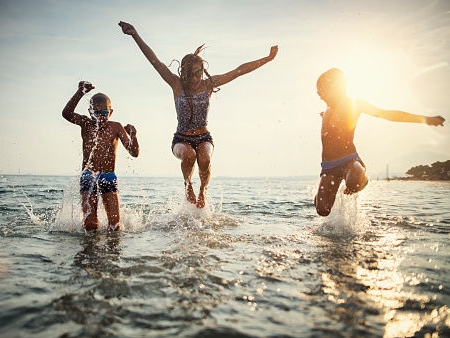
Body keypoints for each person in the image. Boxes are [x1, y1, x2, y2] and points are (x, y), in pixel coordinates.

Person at [119, 21, 278, 208]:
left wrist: (267, 59)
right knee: (189, 156)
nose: (194, 79)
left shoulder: (209, 84)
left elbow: (238, 71)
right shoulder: (176, 84)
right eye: (189, 74)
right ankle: (188, 184)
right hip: (181, 138)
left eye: (198, 73)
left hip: (204, 137)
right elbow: (155, 61)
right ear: (182, 73)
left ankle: (203, 189)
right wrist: (135, 34)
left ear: (203, 72)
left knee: (204, 159)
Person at [314, 68, 445, 216]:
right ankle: (326, 191)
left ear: (338, 87)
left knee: (353, 183)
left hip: (348, 159)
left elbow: (388, 115)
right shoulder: (327, 109)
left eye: (323, 92)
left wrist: (425, 119)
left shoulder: (354, 104)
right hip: (328, 166)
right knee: (322, 210)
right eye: (319, 93)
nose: (321, 97)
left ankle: (360, 178)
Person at [62, 81, 139, 232]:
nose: (100, 117)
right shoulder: (85, 123)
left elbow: (134, 153)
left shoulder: (115, 127)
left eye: (104, 113)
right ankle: (91, 252)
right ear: (90, 111)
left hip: (108, 176)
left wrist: (134, 137)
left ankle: (112, 253)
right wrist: (80, 93)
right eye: (96, 112)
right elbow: (66, 114)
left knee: (115, 226)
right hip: (88, 176)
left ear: (110, 112)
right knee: (90, 225)